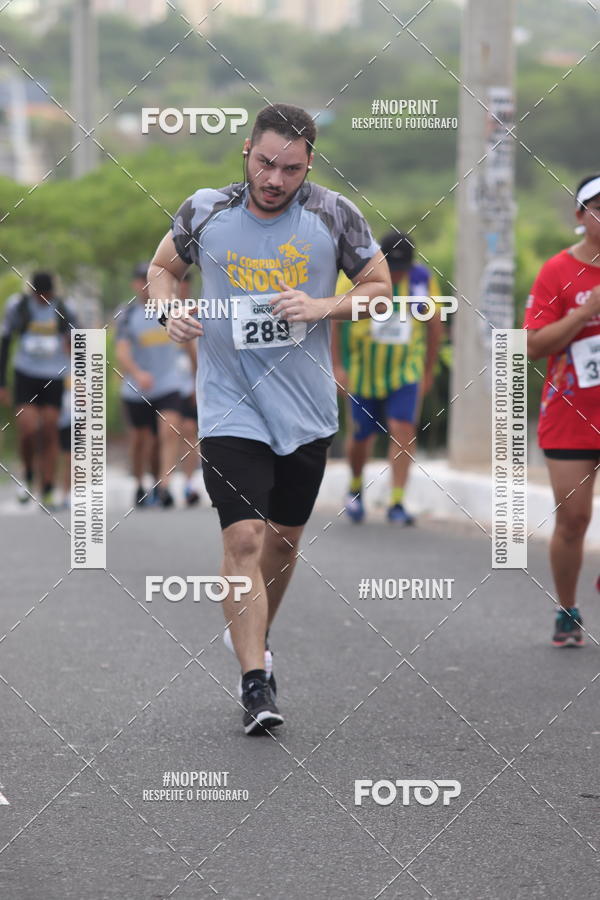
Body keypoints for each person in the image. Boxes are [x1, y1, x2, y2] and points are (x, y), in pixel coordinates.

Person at [148, 102, 391, 734]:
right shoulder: (205, 209)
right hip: (229, 404)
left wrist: (322, 304)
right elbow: (162, 270)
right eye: (265, 163)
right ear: (246, 150)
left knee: (282, 542)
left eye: (290, 168)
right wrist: (166, 311)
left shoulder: (334, 214)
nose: (275, 179)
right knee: (244, 539)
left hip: (306, 410)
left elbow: (378, 290)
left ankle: (257, 639)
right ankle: (255, 680)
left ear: (310, 162)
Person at [525, 174, 600, 647]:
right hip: (571, 415)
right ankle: (567, 608)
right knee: (573, 519)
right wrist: (583, 312)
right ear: (580, 216)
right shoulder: (557, 272)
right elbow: (531, 345)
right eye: (599, 207)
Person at [332, 232, 442, 525]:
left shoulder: (420, 280)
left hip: (406, 369)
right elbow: (334, 320)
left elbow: (434, 327)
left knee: (403, 427)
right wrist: (337, 366)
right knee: (361, 435)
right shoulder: (356, 277)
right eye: (391, 267)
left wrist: (428, 370)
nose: (396, 273)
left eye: (401, 268)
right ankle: (355, 487)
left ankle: (396, 500)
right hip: (362, 369)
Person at [0, 271, 76, 509]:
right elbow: (5, 341)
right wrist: (2, 383)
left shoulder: (63, 307)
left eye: (48, 295)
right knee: (28, 428)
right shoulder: (18, 307)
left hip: (54, 376)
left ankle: (48, 486)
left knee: (51, 429)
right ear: (33, 292)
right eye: (40, 295)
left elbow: (79, 339)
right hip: (25, 374)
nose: (44, 299)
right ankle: (28, 472)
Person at [115, 263, 184, 508]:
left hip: (168, 383)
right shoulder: (126, 315)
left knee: (169, 430)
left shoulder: (171, 309)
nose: (146, 287)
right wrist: (137, 373)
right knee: (142, 442)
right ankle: (141, 484)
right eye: (141, 282)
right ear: (135, 285)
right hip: (138, 388)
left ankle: (164, 486)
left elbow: (189, 344)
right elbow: (122, 352)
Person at [175, 272, 202, 507]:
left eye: (185, 283)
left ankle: (188, 484)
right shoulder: (161, 309)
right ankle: (159, 484)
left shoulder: (199, 308)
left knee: (189, 430)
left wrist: (197, 380)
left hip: (192, 383)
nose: (182, 287)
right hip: (165, 385)